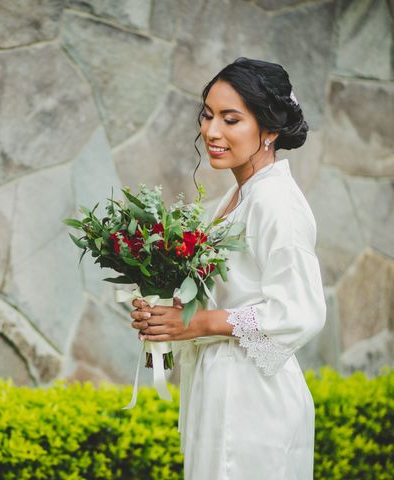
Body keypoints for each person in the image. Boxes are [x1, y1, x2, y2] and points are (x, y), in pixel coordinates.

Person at [130, 57, 326, 480]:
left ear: (269, 129)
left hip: (254, 402)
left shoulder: (276, 202)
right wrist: (165, 312)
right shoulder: (240, 196)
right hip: (223, 389)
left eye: (231, 119)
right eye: (208, 115)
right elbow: (231, 291)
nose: (211, 131)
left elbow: (300, 312)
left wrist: (198, 322)